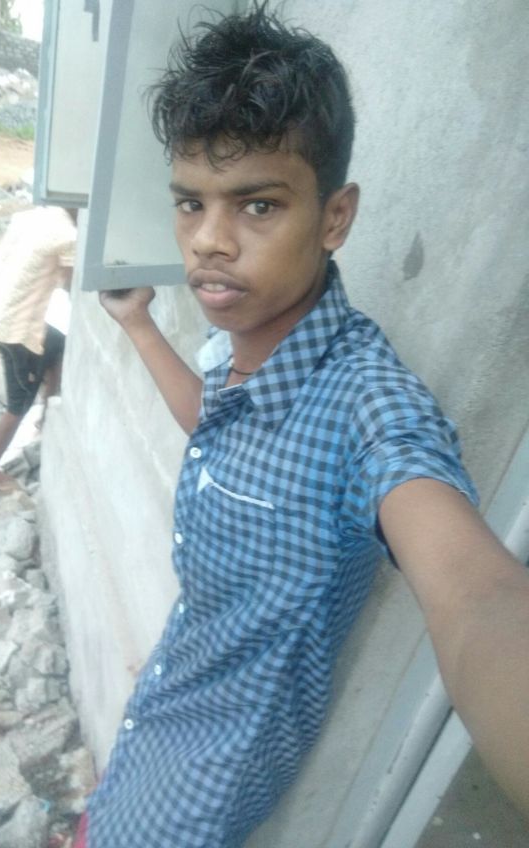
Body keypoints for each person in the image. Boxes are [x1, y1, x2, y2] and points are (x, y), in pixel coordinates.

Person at [79, 5, 529, 845]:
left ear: (334, 217)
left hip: (201, 789)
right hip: (164, 706)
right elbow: (219, 428)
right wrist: (137, 325)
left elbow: (480, 600)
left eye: (257, 205)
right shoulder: (240, 343)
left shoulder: (369, 407)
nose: (209, 242)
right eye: (190, 203)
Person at [0, 205, 77, 492]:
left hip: (1, 316)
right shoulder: (68, 236)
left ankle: (47, 412)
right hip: (18, 335)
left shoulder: (34, 216)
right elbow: (73, 287)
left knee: (57, 344)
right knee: (18, 404)